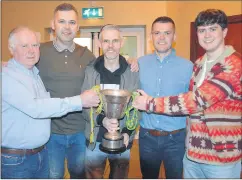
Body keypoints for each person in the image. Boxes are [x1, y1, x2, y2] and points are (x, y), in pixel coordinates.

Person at [133, 9, 241, 179]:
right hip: (193, 151)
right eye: (202, 30)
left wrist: (149, 103)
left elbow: (195, 101)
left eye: (213, 29)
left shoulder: (231, 64)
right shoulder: (198, 65)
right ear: (151, 36)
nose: (207, 35)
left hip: (220, 155)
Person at [36, 3, 138, 178]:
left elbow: (135, 105)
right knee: (54, 175)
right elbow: (23, 62)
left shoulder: (88, 56)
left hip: (82, 132)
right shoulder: (39, 51)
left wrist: (129, 60)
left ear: (77, 26)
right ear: (53, 24)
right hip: (56, 132)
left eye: (72, 22)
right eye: (62, 21)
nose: (67, 27)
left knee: (79, 174)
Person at [1, 26, 99, 179]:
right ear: (11, 48)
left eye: (34, 45)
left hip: (40, 154)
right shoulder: (7, 77)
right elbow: (36, 108)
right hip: (17, 161)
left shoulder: (34, 73)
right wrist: (79, 101)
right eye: (24, 45)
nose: (31, 50)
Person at [135, 16, 193, 179]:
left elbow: (192, 104)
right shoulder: (139, 63)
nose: (161, 37)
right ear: (151, 37)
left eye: (167, 33)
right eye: (157, 33)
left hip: (176, 139)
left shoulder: (188, 67)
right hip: (147, 137)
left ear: (174, 37)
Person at [81, 24, 140, 179]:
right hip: (95, 142)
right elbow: (85, 106)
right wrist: (103, 120)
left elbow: (136, 106)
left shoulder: (132, 72)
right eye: (106, 41)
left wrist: (128, 132)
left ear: (121, 43)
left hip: (122, 142)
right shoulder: (90, 71)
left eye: (115, 41)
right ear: (100, 44)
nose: (111, 46)